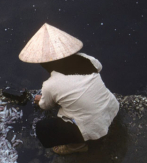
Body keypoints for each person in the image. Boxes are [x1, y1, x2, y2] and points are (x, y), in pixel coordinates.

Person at [19, 23, 119, 155]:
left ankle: (77, 146)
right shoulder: (86, 59)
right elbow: (98, 67)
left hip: (93, 126)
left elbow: (45, 106)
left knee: (42, 128)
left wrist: (40, 100)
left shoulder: (51, 84)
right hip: (111, 107)